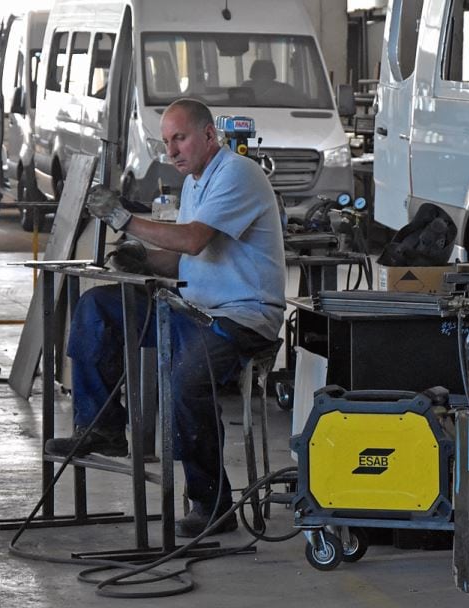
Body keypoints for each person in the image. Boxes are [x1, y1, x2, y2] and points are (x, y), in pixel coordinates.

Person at [45, 98, 286, 538]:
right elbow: (186, 260)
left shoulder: (237, 173)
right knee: (98, 308)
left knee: (185, 380)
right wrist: (143, 260)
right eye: (166, 142)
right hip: (194, 310)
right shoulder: (194, 183)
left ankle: (212, 503)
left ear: (209, 136)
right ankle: (103, 427)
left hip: (243, 319)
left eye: (181, 138)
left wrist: (124, 219)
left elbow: (193, 241)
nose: (172, 150)